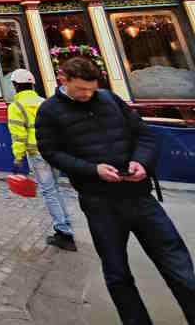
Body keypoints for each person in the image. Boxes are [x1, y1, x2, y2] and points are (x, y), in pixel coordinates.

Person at [36, 57, 195, 325]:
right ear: (64, 81)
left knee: (177, 263)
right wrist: (92, 169)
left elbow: (144, 135)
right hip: (100, 204)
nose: (87, 95)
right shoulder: (49, 111)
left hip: (140, 196)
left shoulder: (110, 99)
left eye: (92, 89)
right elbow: (51, 152)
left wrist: (141, 162)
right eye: (80, 90)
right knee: (117, 272)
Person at [6, 68, 75, 251]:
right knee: (56, 189)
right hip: (53, 152)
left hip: (37, 154)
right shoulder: (44, 102)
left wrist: (18, 157)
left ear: (14, 85)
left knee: (49, 191)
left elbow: (18, 135)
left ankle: (64, 232)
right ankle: (65, 226)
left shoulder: (16, 106)